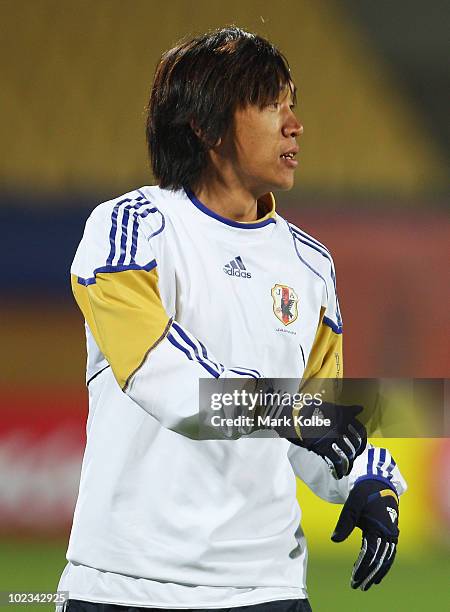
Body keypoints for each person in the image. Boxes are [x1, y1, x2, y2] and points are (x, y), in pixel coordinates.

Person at [58, 27, 406, 612]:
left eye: (293, 105)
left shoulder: (311, 268)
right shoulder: (130, 232)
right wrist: (288, 411)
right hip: (125, 584)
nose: (294, 124)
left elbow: (321, 417)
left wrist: (371, 480)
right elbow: (168, 381)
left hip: (265, 588)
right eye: (271, 105)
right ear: (206, 124)